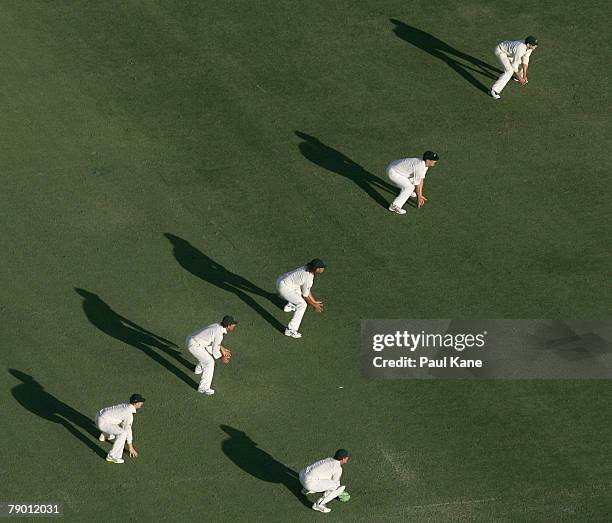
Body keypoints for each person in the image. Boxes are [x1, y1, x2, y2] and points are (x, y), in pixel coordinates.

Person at [186, 315, 236, 395]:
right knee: (209, 362)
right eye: (233, 324)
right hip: (194, 345)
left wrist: (222, 348)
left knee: (206, 357)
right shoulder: (219, 334)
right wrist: (222, 357)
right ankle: (203, 388)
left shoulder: (216, 326)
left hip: (195, 340)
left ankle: (198, 369)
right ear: (228, 325)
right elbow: (215, 351)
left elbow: (213, 340)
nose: (234, 325)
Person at [277, 259, 325, 338]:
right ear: (317, 269)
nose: (323, 269)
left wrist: (314, 301)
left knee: (298, 289)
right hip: (284, 287)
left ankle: (290, 305)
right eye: (322, 267)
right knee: (302, 305)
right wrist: (314, 305)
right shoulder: (309, 277)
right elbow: (305, 296)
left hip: (282, 280)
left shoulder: (306, 267)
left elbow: (306, 290)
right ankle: (290, 330)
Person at [95, 393, 145, 464]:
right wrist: (130, 447)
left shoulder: (124, 405)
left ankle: (104, 435)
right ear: (135, 403)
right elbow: (128, 430)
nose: (142, 403)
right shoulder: (128, 414)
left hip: (98, 416)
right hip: (102, 423)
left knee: (118, 423)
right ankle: (112, 456)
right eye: (140, 401)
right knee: (123, 433)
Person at [299, 449, 351, 514]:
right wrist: (339, 493)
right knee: (339, 487)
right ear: (343, 459)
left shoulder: (328, 459)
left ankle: (306, 489)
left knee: (323, 476)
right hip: (309, 483)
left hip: (301, 476)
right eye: (347, 458)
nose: (347, 459)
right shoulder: (338, 468)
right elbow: (335, 484)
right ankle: (319, 504)